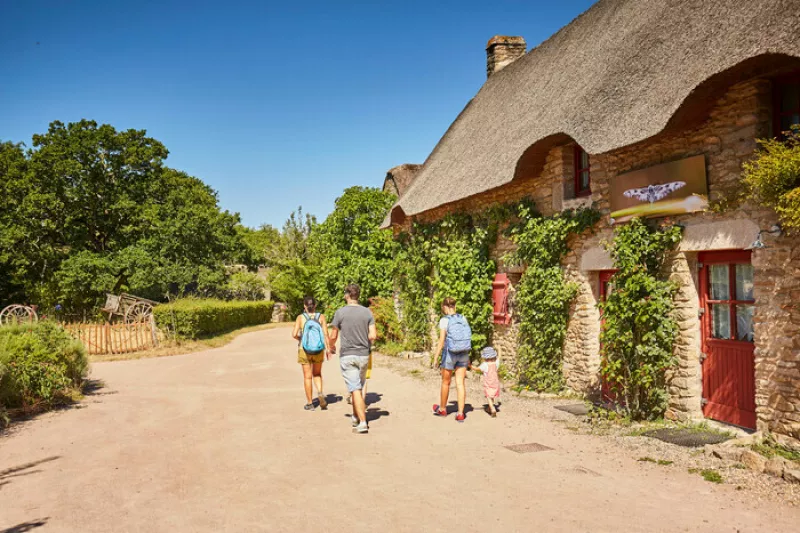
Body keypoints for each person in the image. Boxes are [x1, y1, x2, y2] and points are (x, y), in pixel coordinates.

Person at [329, 284, 377, 434]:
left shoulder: (340, 313)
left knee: (354, 388)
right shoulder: (367, 312)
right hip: (364, 355)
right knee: (359, 386)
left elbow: (333, 335)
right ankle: (356, 416)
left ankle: (362, 422)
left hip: (348, 355)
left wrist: (331, 347)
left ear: (347, 295)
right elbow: (373, 336)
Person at [432, 297, 472, 422]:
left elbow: (442, 340)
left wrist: (435, 357)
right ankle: (460, 413)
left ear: (444, 307)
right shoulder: (463, 318)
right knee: (460, 383)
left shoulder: (444, 320)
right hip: (464, 352)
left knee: (446, 382)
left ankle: (443, 409)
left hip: (450, 353)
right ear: (454, 306)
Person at [292, 296, 332, 411]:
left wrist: (301, 339)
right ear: (315, 306)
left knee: (307, 377)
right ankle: (320, 392)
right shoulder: (321, 317)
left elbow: (294, 334)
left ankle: (310, 403)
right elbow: (325, 334)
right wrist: (328, 349)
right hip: (319, 349)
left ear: (305, 306)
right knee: (317, 373)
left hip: (304, 349)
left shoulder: (300, 318)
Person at [471, 346, 501, 417]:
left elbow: (477, 369)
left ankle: (493, 409)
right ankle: (489, 408)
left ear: (485, 357)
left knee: (488, 396)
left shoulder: (485, 365)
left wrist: (470, 365)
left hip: (488, 383)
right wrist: (499, 349)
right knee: (492, 396)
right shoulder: (496, 363)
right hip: (495, 383)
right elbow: (499, 357)